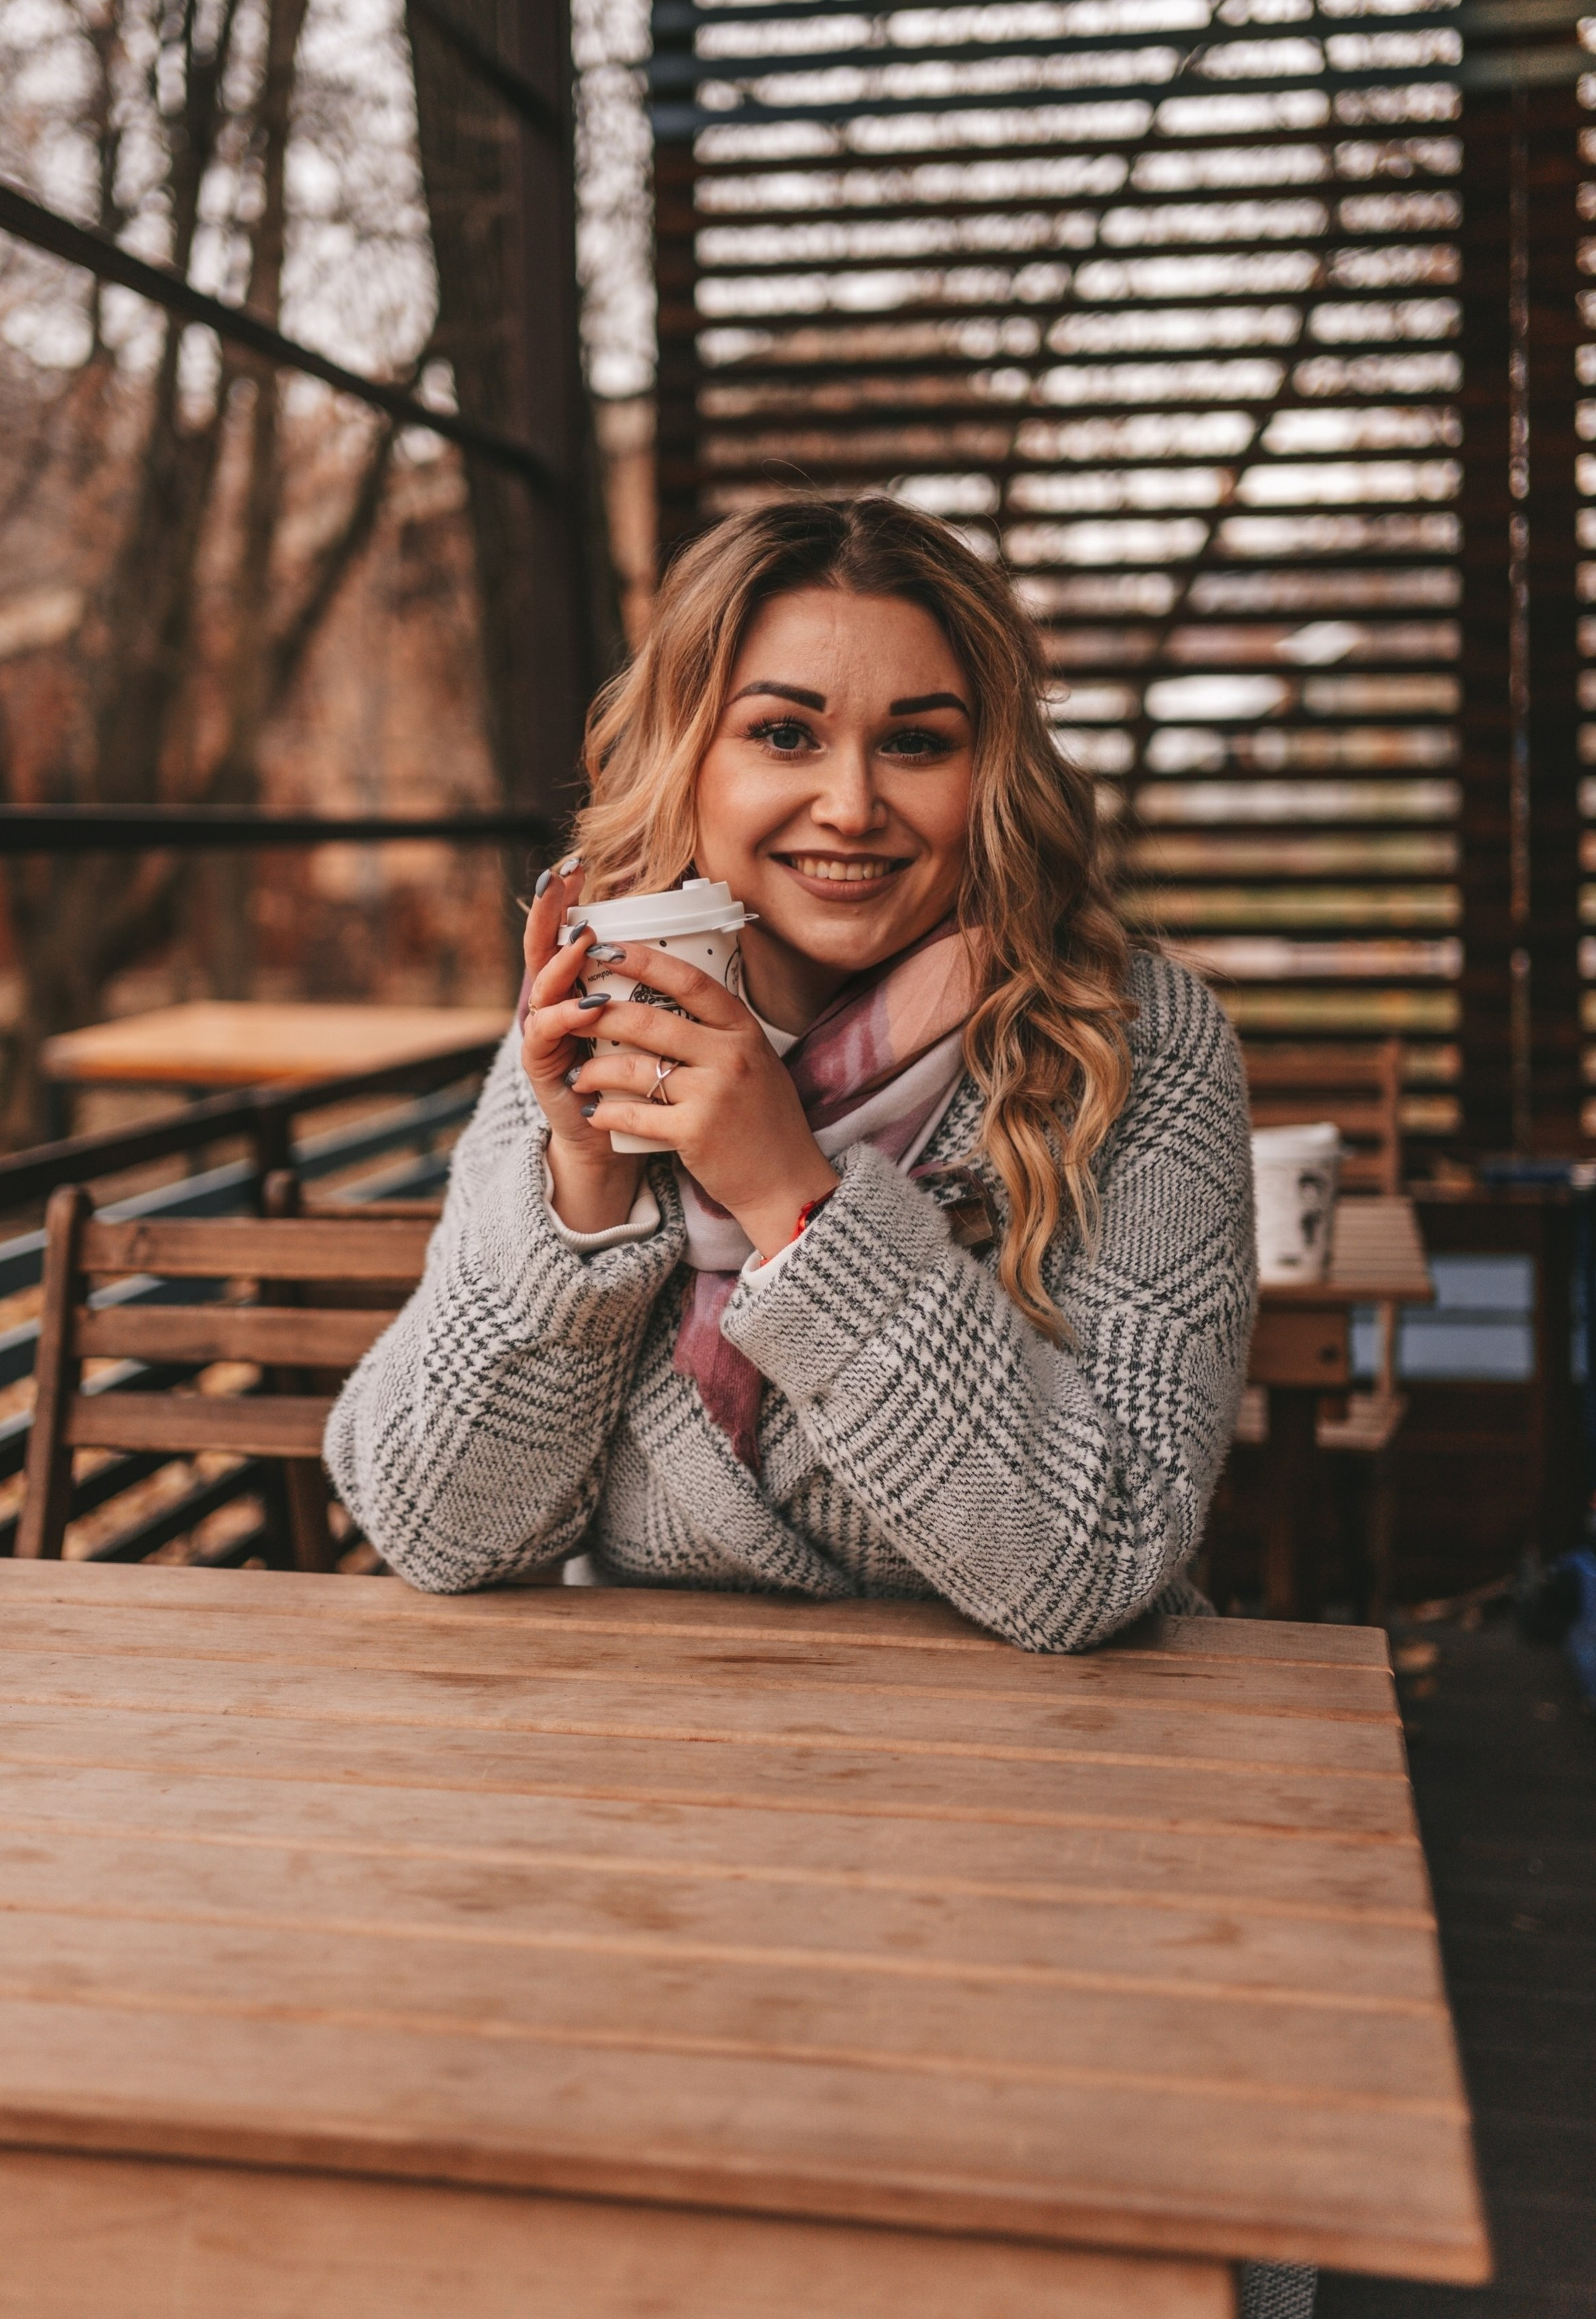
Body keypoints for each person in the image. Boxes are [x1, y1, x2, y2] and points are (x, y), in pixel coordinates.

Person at [325, 492, 1258, 1654]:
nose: (852, 806)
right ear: (690, 759)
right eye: (784, 734)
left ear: (993, 775)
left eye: (917, 742)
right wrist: (581, 1190)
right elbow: (432, 1530)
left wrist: (793, 1201)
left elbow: (1098, 1562)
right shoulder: (598, 1015)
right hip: (657, 1763)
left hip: (1034, 1770)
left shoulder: (1132, 1042)